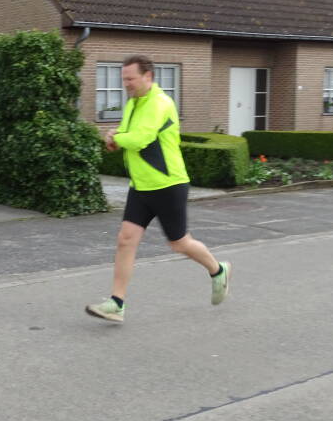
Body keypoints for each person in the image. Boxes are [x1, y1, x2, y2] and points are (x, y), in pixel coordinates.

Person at [85, 55, 232, 323]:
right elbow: (128, 135)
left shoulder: (160, 103)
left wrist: (118, 138)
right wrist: (113, 138)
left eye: (131, 79)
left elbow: (141, 139)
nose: (126, 84)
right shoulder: (133, 102)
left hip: (168, 185)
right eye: (124, 79)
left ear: (148, 76)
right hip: (141, 186)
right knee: (125, 239)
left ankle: (217, 269)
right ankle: (117, 303)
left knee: (179, 243)